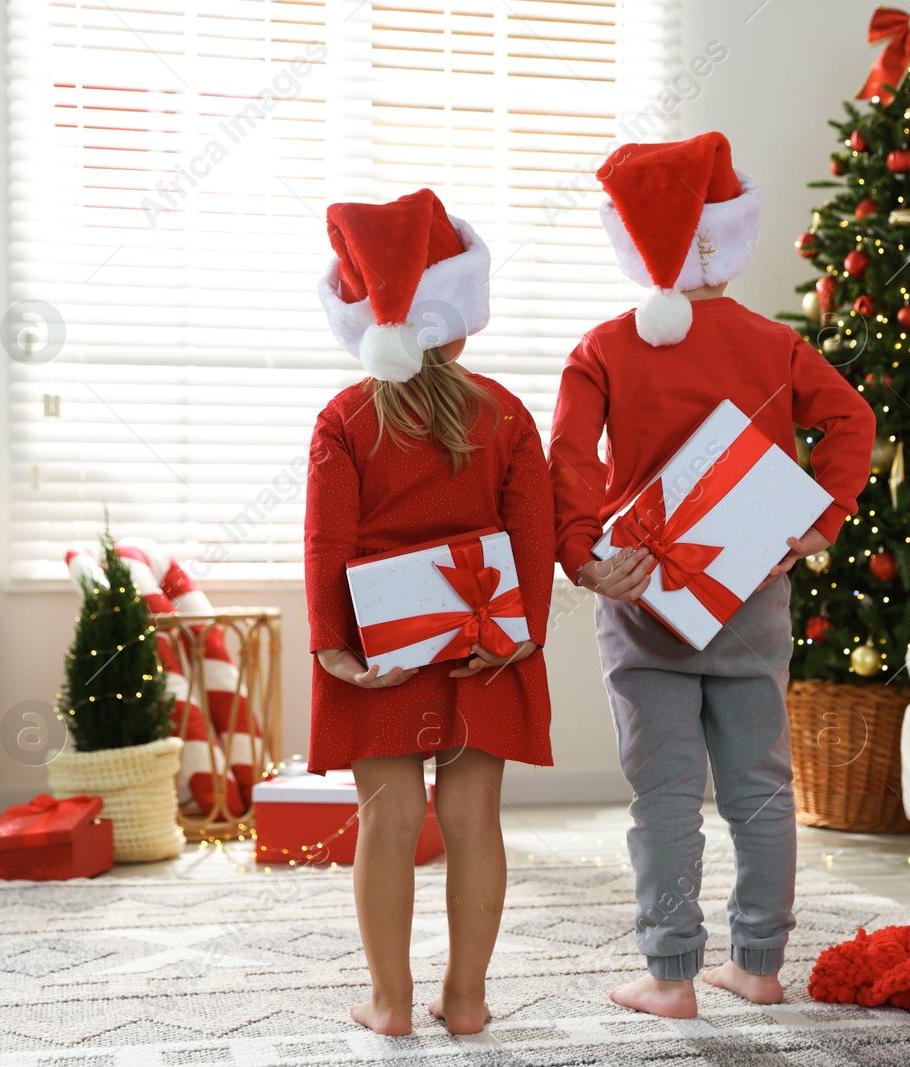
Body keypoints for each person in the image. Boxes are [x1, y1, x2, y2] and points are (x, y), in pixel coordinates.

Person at [548, 131, 876, 1018]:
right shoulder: (775, 345)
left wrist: (582, 554)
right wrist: (820, 519)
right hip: (751, 593)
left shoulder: (606, 347)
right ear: (732, 240)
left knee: (663, 791)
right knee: (761, 783)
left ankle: (670, 976)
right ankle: (760, 964)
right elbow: (853, 421)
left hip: (639, 594)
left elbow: (571, 460)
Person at [305, 189, 553, 1037]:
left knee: (391, 818)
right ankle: (470, 998)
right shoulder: (508, 414)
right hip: (485, 634)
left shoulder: (344, 418)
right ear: (463, 313)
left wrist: (332, 646)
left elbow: (326, 543)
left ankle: (390, 1001)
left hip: (386, 646)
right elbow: (533, 533)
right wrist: (521, 634)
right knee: (473, 817)